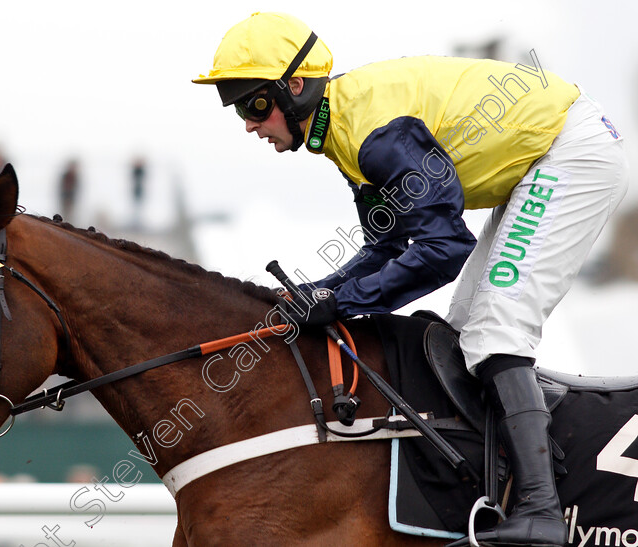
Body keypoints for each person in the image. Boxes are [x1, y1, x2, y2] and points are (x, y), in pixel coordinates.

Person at [194, 12, 629, 547]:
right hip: (541, 159)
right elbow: (390, 246)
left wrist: (341, 301)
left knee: (497, 332)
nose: (249, 124)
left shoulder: (376, 137)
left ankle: (541, 508)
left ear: (297, 87)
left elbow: (444, 250)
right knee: (465, 331)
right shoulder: (342, 130)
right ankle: (506, 493)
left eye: (255, 104)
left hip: (571, 151)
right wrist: (323, 292)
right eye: (239, 108)